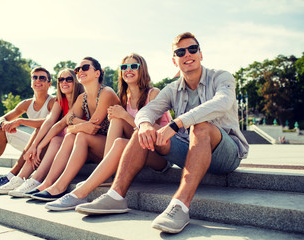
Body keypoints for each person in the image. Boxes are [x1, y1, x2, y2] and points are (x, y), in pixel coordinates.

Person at [75, 32, 249, 234]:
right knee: (143, 131)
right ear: (174, 60)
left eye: (192, 49)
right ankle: (116, 196)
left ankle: (179, 206)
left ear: (201, 54)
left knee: (200, 126)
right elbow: (148, 111)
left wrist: (177, 124)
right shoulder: (172, 88)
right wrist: (145, 124)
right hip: (187, 149)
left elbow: (223, 102)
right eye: (180, 52)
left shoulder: (221, 77)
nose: (187, 54)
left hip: (225, 153)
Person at [45, 53, 172, 211]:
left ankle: (84, 190)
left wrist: (124, 115)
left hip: (160, 154)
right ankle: (67, 184)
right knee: (96, 132)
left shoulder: (153, 94)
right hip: (136, 147)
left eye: (134, 66)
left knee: (119, 124)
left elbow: (152, 133)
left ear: (142, 70)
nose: (128, 70)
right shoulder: (124, 97)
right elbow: (66, 122)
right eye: (124, 67)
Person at [28, 56, 120, 201]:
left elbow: (92, 128)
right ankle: (48, 183)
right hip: (96, 149)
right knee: (71, 136)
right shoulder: (82, 97)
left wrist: (74, 124)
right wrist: (40, 145)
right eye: (77, 69)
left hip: (112, 150)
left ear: (97, 73)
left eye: (85, 68)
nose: (80, 71)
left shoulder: (106, 93)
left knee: (80, 135)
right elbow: (66, 125)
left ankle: (60, 186)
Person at [0, 68, 84, 195]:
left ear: (76, 82)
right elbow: (50, 121)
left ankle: (36, 180)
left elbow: (59, 124)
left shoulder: (80, 98)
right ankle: (19, 179)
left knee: (55, 138)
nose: (64, 82)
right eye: (61, 79)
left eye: (69, 79)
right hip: (62, 139)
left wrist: (37, 143)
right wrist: (35, 146)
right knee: (46, 139)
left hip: (79, 142)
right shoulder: (59, 100)